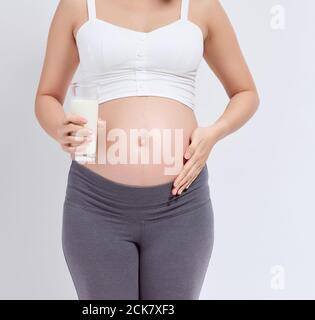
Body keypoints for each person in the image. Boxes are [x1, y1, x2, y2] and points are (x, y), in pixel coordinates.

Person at [35, 0, 259, 299]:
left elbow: (245, 92)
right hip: (96, 205)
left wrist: (213, 133)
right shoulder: (77, 5)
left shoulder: (202, 7)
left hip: (180, 204)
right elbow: (47, 96)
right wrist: (60, 127)